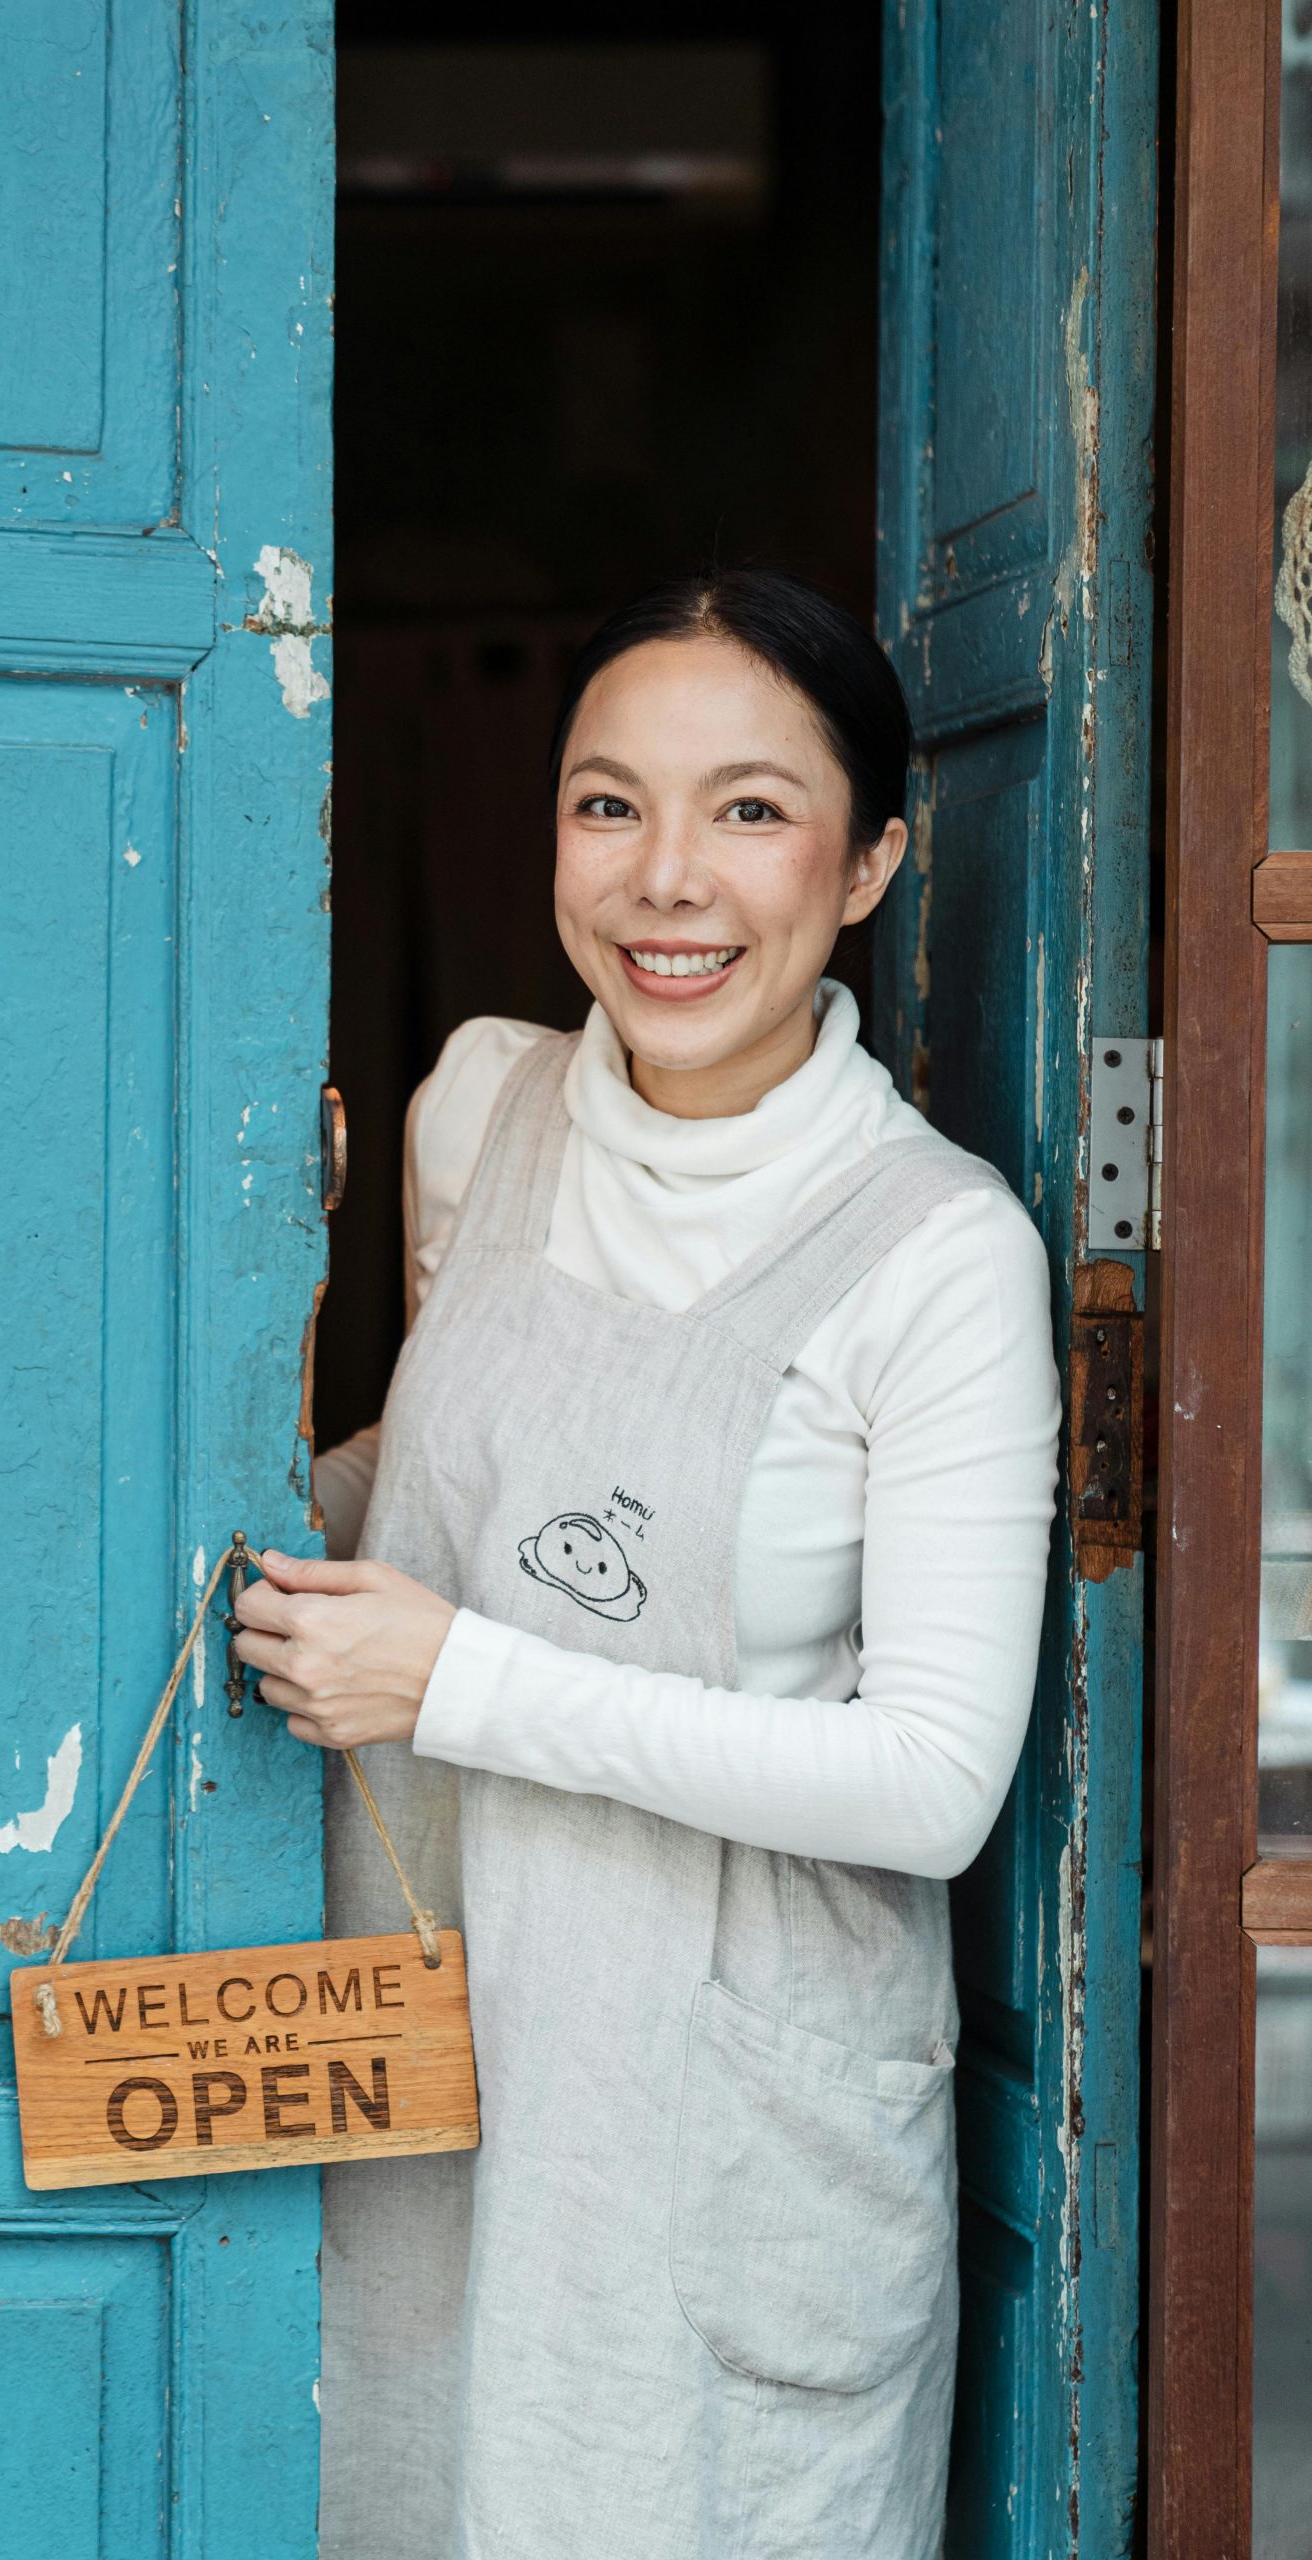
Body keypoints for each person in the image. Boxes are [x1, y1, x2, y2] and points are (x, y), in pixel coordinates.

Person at [232, 568, 1061, 2559]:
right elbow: (456, 1475)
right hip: (436, 2034)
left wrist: (456, 1681)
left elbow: (929, 1784)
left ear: (867, 858)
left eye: (750, 810)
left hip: (719, 2114)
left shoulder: (933, 1255)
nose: (665, 880)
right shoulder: (478, 1112)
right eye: (607, 805)